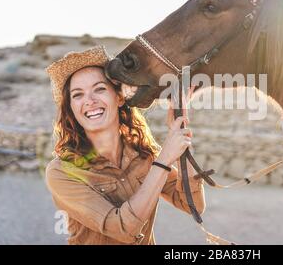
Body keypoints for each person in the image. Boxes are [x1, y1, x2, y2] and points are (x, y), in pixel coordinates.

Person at [45, 45, 205, 245]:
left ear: (119, 97)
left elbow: (193, 205)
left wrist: (180, 130)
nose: (90, 101)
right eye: (78, 95)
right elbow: (122, 228)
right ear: (71, 108)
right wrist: (164, 159)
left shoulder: (145, 155)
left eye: (99, 89)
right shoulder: (62, 172)